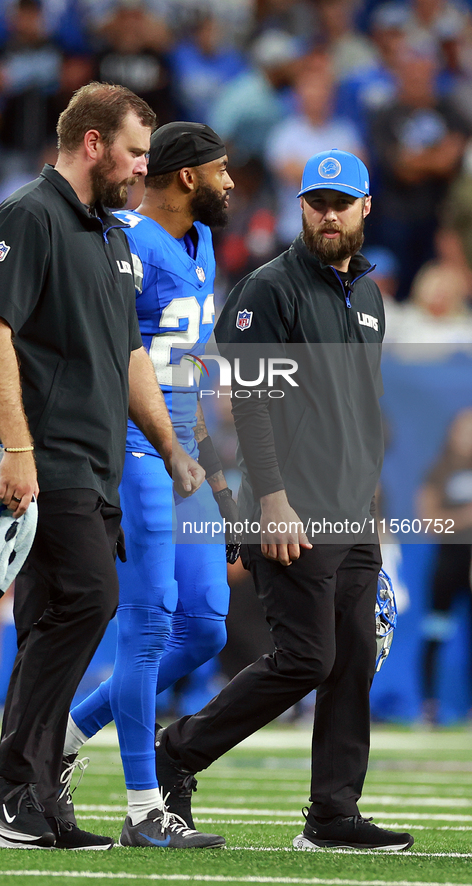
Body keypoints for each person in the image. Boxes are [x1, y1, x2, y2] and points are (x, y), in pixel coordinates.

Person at [0, 82, 205, 852]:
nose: (139, 170)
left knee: (49, 620)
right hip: (46, 455)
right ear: (91, 142)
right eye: (132, 152)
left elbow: (129, 354)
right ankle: (12, 780)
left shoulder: (109, 235)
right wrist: (17, 450)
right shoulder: (30, 215)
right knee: (89, 600)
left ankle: (33, 803)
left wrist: (168, 447)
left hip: (94, 464)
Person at [154, 149, 415, 852]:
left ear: (365, 208)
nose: (326, 214)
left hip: (351, 509)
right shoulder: (269, 289)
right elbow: (252, 405)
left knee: (353, 656)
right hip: (290, 503)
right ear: (300, 207)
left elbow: (361, 409)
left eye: (339, 202)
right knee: (306, 658)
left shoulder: (367, 295)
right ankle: (175, 752)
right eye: (315, 202)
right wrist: (269, 500)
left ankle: (332, 815)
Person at [63, 121, 236, 849]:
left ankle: (61, 738)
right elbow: (103, 349)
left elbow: (182, 365)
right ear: (188, 176)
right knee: (149, 624)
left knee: (204, 624)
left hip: (179, 453)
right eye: (221, 170)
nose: (231, 183)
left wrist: (203, 457)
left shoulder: (199, 243)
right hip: (131, 447)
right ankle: (142, 809)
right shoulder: (124, 238)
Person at [417, 407, 472, 725]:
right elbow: (431, 520)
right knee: (436, 632)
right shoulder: (438, 472)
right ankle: (429, 706)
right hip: (446, 566)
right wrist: (465, 517)